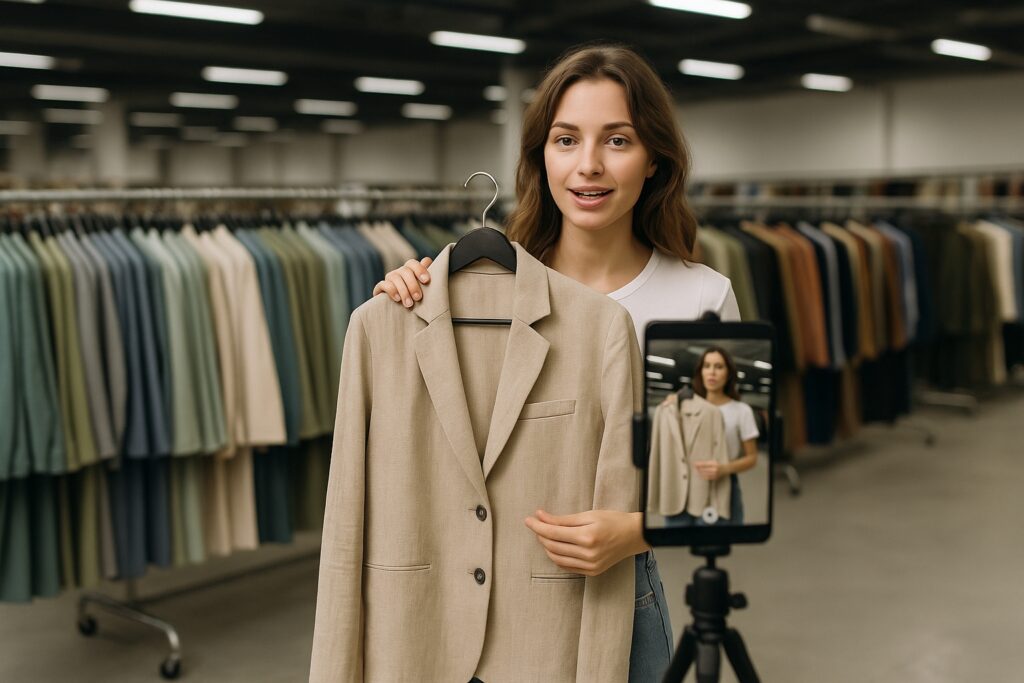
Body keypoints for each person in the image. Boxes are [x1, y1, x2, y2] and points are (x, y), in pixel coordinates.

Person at [372, 44, 739, 681]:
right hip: (470, 601)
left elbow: (726, 486)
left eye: (617, 140)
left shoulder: (700, 300)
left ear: (654, 158)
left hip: (613, 597)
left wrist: (637, 530)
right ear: (541, 155)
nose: (588, 166)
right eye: (566, 139)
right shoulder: (479, 287)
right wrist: (408, 297)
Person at [669, 346, 760, 526]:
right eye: (707, 366)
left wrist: (723, 469)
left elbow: (752, 458)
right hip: (686, 480)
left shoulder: (741, 411)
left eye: (718, 366)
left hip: (723, 480)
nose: (712, 372)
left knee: (715, 539)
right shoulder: (685, 406)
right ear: (701, 372)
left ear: (728, 373)